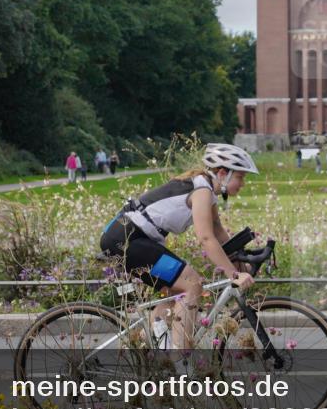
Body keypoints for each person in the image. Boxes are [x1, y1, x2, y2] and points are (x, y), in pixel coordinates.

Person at [100, 143, 258, 351]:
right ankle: (180, 365)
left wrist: (239, 263)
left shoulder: (205, 189)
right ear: (222, 173)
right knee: (192, 283)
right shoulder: (202, 190)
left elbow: (219, 232)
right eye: (240, 177)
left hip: (130, 238)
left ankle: (150, 350)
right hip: (128, 239)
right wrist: (233, 274)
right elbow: (206, 238)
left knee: (176, 292)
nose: (243, 183)